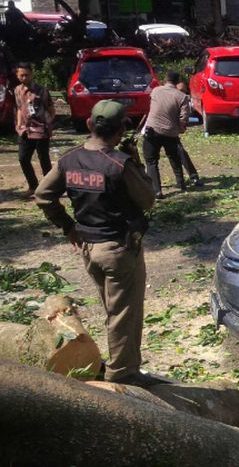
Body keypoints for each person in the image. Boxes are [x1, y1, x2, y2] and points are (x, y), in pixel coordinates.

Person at [34, 100, 158, 387]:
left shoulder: (69, 159)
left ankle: (118, 366)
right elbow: (148, 199)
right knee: (123, 316)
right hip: (118, 250)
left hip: (89, 249)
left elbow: (43, 195)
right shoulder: (119, 163)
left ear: (90, 124)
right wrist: (135, 161)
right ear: (120, 130)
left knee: (114, 311)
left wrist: (67, 226)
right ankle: (123, 376)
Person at [142, 71, 192, 198]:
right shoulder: (182, 97)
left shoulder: (155, 91)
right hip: (170, 132)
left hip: (152, 130)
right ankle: (181, 184)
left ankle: (157, 190)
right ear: (178, 82)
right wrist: (181, 128)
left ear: (165, 80)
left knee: (151, 161)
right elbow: (183, 117)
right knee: (174, 157)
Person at [15, 62, 55, 198]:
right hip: (25, 131)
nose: (24, 78)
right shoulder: (17, 90)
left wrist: (48, 125)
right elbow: (20, 108)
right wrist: (19, 124)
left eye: (26, 75)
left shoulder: (42, 91)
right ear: (17, 75)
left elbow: (51, 109)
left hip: (40, 130)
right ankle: (33, 186)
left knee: (44, 159)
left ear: (32, 74)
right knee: (23, 158)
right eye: (21, 75)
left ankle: (50, 187)